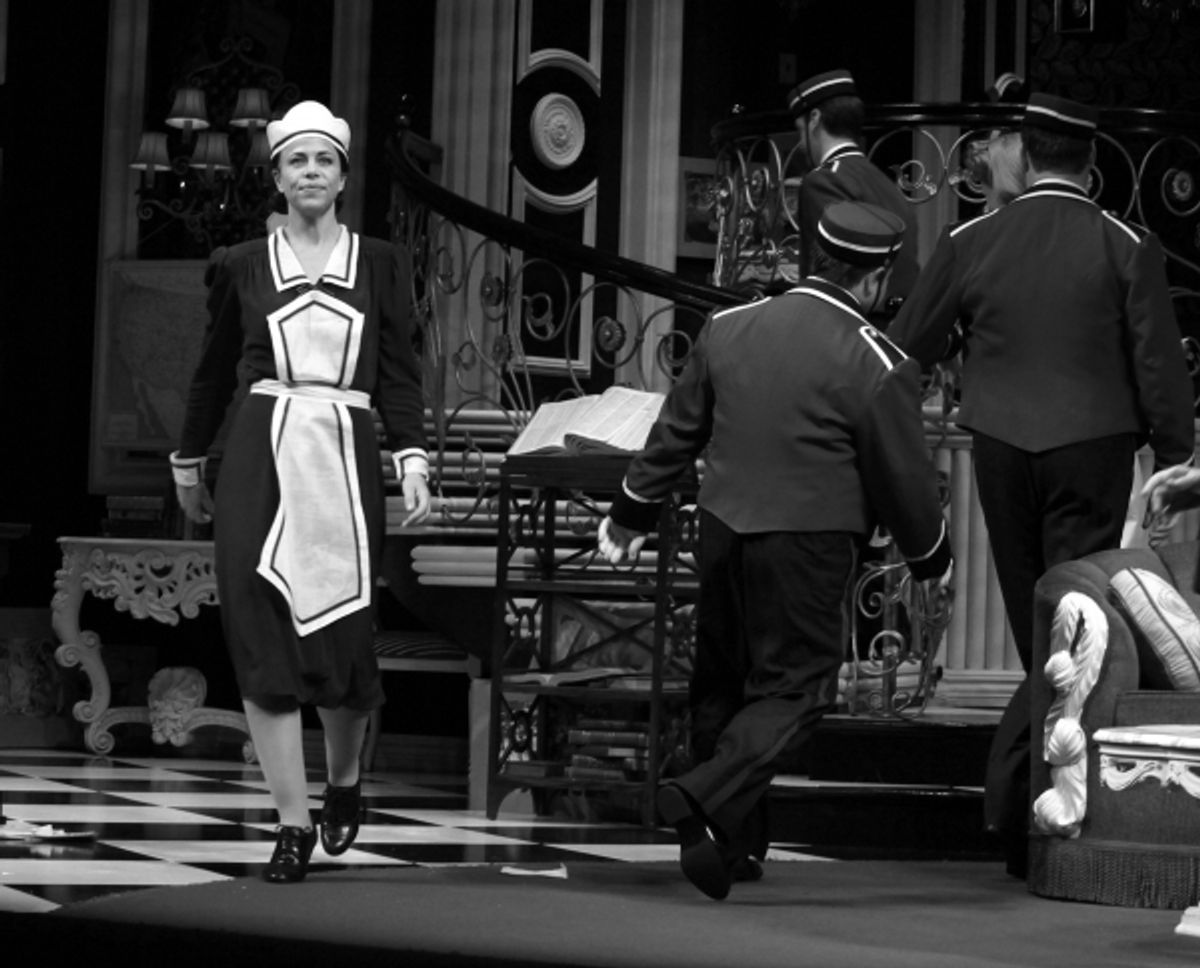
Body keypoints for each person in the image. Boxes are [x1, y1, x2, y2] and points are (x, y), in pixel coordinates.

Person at [597, 201, 953, 900]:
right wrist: (932, 560)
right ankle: (701, 794)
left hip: (722, 530)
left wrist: (630, 512)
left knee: (724, 685)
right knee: (797, 690)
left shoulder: (728, 327)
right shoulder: (877, 359)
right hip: (809, 540)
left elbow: (676, 431)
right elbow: (904, 479)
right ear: (876, 278)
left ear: (816, 257)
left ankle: (728, 846)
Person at [887, 92, 1195, 878]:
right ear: (1090, 164)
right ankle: (1027, 807)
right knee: (1075, 626)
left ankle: (1021, 807)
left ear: (1024, 154)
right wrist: (1176, 461)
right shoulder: (1125, 241)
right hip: (1092, 446)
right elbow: (1158, 364)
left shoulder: (971, 238)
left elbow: (909, 344)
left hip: (999, 445)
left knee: (1040, 622)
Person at [170, 100, 432, 884]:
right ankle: (291, 823)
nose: (310, 172)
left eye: (324, 160)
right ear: (278, 178)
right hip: (259, 454)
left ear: (342, 178)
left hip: (344, 460)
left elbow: (398, 372)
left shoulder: (379, 262)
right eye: (296, 161)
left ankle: (343, 782)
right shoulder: (243, 263)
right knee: (259, 634)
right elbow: (212, 372)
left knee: (342, 637)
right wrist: (188, 462)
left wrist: (412, 457)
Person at [787, 68, 919, 324]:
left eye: (800, 130)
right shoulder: (885, 183)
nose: (801, 143)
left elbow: (827, 282)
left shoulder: (824, 181)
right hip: (894, 330)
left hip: (849, 329)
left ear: (814, 119)